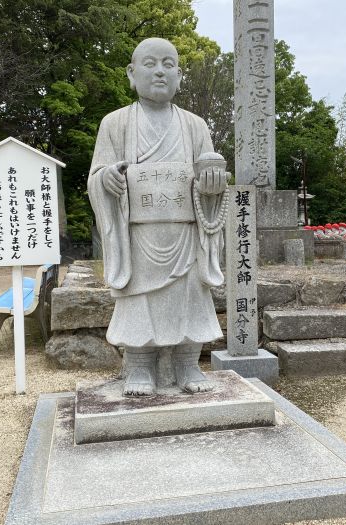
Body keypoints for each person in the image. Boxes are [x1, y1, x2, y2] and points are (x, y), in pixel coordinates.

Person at [88, 38, 228, 396]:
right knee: (139, 301)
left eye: (169, 64)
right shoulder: (115, 123)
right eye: (150, 63)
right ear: (132, 74)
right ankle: (139, 367)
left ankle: (188, 364)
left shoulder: (196, 126)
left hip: (185, 232)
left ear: (180, 76)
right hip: (138, 235)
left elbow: (209, 175)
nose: (160, 71)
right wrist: (107, 178)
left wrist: (213, 184)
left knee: (190, 299)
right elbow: (97, 176)